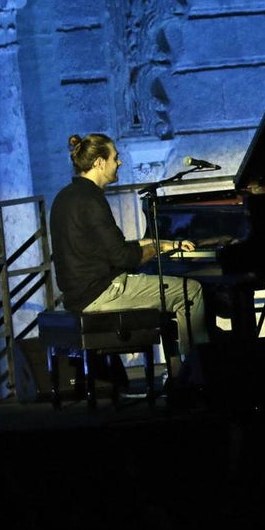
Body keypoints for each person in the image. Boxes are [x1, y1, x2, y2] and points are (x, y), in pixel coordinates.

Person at [49, 133, 208, 362]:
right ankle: (196, 372)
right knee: (191, 290)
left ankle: (179, 372)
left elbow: (108, 248)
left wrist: (163, 243)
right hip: (102, 293)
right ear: (99, 162)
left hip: (76, 295)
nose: (120, 162)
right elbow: (124, 258)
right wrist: (159, 249)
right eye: (116, 157)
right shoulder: (92, 200)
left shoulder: (65, 197)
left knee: (172, 289)